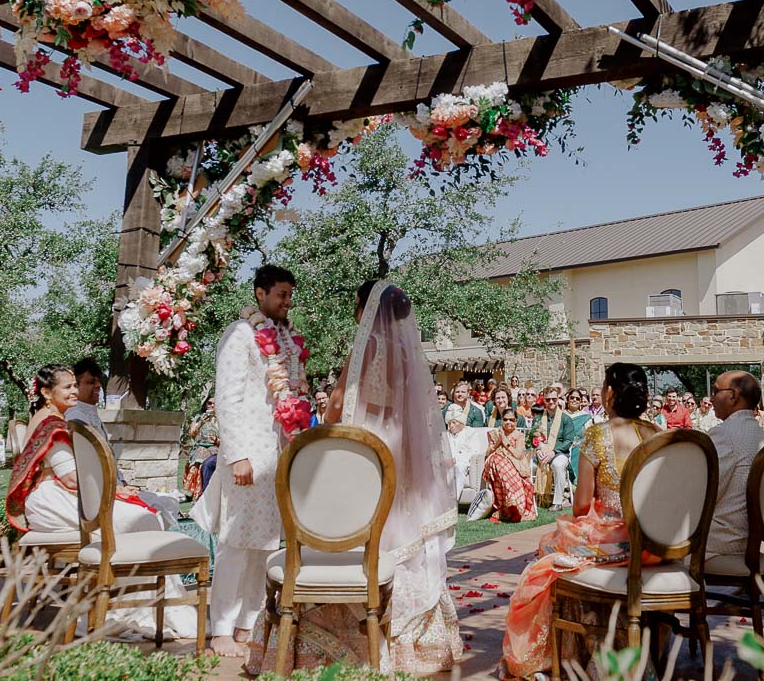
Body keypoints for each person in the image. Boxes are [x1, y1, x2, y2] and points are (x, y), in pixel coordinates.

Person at [249, 281, 463, 675]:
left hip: (363, 448)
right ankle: (410, 639)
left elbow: (334, 407)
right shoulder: (407, 353)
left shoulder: (367, 349)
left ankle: (335, 632)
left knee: (351, 518)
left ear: (365, 309)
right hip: (397, 450)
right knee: (399, 530)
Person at [6, 364, 200, 640]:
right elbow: (72, 478)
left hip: (62, 494)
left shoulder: (52, 418)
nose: (74, 391)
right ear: (47, 393)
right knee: (140, 518)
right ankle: (125, 608)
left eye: (75, 385)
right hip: (52, 500)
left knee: (142, 514)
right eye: (68, 387)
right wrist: (114, 490)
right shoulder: (51, 425)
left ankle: (139, 604)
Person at [500, 363, 660, 679]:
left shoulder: (598, 434)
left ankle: (574, 647)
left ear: (610, 393)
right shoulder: (658, 434)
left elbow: (582, 505)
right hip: (656, 544)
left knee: (550, 551)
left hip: (619, 544)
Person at [199, 264, 309, 661]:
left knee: (264, 543)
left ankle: (249, 622)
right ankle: (221, 628)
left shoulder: (285, 340)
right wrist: (238, 455)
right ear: (260, 294)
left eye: (289, 295)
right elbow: (226, 399)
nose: (287, 302)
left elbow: (291, 397)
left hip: (276, 456)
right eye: (281, 294)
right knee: (235, 542)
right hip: (246, 455)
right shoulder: (240, 334)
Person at [66, 357, 181, 529]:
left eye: (98, 381)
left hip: (112, 486)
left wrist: (123, 484)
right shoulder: (75, 417)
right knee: (154, 510)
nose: (98, 386)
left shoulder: (90, 413)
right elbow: (87, 466)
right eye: (90, 382)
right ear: (76, 386)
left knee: (169, 501)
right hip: (97, 494)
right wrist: (116, 489)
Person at [706, 370, 764, 558]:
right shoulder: (760, 434)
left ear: (733, 396)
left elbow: (705, 493)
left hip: (721, 540)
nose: (711, 399)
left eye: (715, 391)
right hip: (749, 535)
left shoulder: (724, 434)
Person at [476, 407, 537, 523]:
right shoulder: (495, 434)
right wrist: (499, 441)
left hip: (515, 464)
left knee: (506, 469)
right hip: (495, 463)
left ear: (516, 421)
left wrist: (505, 442)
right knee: (498, 460)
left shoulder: (519, 435)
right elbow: (488, 453)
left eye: (512, 420)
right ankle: (511, 506)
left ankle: (513, 508)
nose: (508, 422)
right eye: (505, 420)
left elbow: (518, 455)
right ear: (501, 421)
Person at [530, 387, 575, 511]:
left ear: (558, 399)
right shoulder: (538, 419)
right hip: (541, 453)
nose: (551, 402)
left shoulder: (566, 419)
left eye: (554, 399)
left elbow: (568, 441)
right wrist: (538, 450)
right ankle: (529, 499)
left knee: (558, 465)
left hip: (560, 453)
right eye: (548, 399)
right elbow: (531, 440)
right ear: (544, 400)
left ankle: (557, 502)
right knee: (524, 466)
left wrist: (553, 452)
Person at [185, 398, 219, 500]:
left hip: (215, 446)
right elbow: (192, 434)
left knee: (211, 454)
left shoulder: (221, 419)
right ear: (205, 405)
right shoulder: (198, 417)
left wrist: (217, 440)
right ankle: (191, 492)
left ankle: (209, 491)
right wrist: (201, 423)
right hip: (201, 445)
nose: (212, 405)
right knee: (200, 455)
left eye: (214, 403)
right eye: (209, 403)